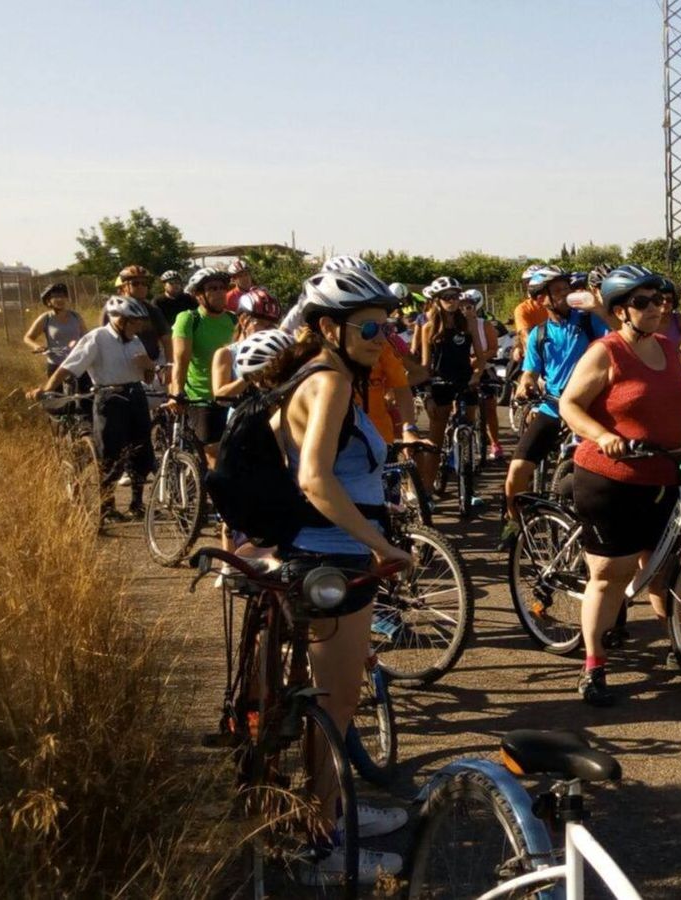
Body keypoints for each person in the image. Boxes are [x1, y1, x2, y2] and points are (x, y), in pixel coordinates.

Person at [266, 267, 412, 882]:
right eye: (371, 325)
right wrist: (379, 544)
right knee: (336, 703)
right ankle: (319, 848)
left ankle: (329, 812)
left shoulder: (313, 377)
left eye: (390, 323)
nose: (384, 334)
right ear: (329, 327)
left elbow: (283, 450)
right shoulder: (329, 383)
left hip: (317, 550)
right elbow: (314, 478)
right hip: (330, 557)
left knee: (332, 700)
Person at [558, 264, 681, 706]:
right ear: (619, 311)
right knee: (609, 575)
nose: (655, 308)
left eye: (659, 300)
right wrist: (603, 436)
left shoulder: (669, 348)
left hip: (663, 474)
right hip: (610, 479)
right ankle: (594, 664)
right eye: (642, 302)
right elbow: (570, 404)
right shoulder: (606, 352)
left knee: (667, 571)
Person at [502, 265, 609, 530]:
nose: (567, 294)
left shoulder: (588, 320)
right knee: (516, 472)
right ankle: (514, 525)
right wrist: (524, 385)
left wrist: (598, 308)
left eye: (567, 288)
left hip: (588, 407)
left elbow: (618, 334)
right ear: (541, 299)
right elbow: (530, 372)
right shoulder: (540, 333)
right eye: (559, 291)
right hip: (552, 407)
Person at [32, 296, 156, 520]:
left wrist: (149, 367)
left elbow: (147, 377)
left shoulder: (135, 340)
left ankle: (137, 503)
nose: (138, 326)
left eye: (139, 322)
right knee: (110, 452)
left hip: (135, 395)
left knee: (141, 449)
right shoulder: (97, 338)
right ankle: (108, 507)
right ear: (119, 320)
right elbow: (68, 367)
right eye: (134, 321)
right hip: (110, 397)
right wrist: (48, 389)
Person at [412, 276, 476, 495]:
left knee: (469, 426)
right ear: (437, 300)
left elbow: (478, 353)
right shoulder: (429, 325)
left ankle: (467, 481)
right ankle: (427, 491)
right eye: (447, 297)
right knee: (435, 441)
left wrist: (476, 374)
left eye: (456, 296)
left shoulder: (468, 321)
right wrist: (427, 393)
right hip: (439, 383)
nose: (452, 301)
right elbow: (425, 364)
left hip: (465, 381)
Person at [168, 267, 237, 468]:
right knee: (214, 455)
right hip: (202, 398)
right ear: (199, 295)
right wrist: (177, 391)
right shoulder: (189, 319)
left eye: (222, 288)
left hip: (231, 397)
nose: (219, 292)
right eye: (212, 288)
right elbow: (181, 360)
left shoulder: (233, 319)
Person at [210, 287, 283, 404]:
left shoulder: (275, 349)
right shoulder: (226, 353)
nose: (267, 331)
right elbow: (219, 394)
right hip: (242, 415)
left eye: (271, 326)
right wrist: (248, 377)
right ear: (244, 320)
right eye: (262, 324)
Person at [461, 287, 505, 460]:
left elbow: (493, 349)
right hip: (462, 371)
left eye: (469, 307)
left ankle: (495, 444)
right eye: (461, 307)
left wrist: (478, 358)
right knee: (460, 409)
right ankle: (462, 443)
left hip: (484, 368)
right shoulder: (453, 325)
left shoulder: (484, 324)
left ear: (475, 308)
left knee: (490, 407)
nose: (465, 310)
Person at [110, 264, 170, 368]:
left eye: (144, 283)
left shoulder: (153, 310)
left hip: (153, 366)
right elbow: (106, 342)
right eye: (135, 283)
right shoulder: (112, 312)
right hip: (122, 367)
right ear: (124, 287)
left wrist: (169, 366)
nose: (141, 287)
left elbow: (167, 341)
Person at [22, 282, 86, 375]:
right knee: (55, 390)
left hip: (77, 362)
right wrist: (36, 346)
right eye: (55, 297)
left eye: (62, 296)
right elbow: (27, 338)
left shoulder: (76, 316)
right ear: (48, 301)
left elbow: (86, 335)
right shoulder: (46, 318)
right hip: (56, 365)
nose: (60, 299)